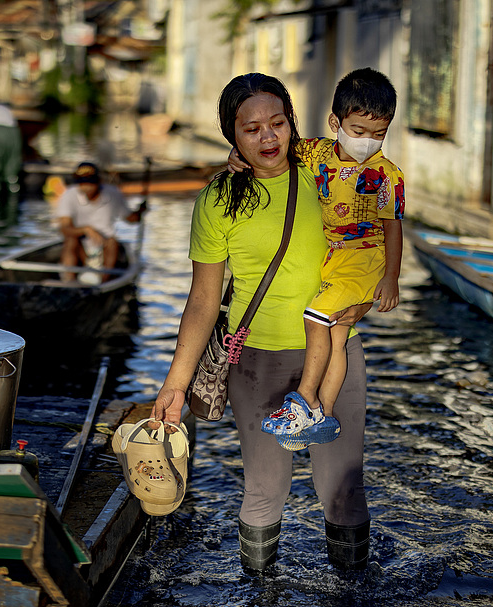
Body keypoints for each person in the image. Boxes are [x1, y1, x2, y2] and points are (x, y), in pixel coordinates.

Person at [150, 73, 373, 573]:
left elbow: (370, 240)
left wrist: (367, 297)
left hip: (338, 353)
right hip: (257, 364)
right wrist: (175, 384)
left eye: (278, 123)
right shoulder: (218, 200)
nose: (268, 138)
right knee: (265, 491)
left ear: (294, 123)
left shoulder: (327, 174)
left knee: (342, 491)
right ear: (233, 136)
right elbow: (204, 301)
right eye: (251, 130)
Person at [230, 68, 405, 448]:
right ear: (336, 123)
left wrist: (390, 278)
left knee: (316, 318)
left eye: (379, 134)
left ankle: (304, 399)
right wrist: (235, 153)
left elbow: (393, 227)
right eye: (358, 131)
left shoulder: (387, 175)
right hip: (335, 258)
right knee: (337, 335)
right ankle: (322, 414)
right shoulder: (319, 153)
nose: (368, 142)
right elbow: (275, 146)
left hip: (364, 257)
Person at [54, 162, 146, 281]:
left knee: (113, 242)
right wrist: (86, 230)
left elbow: (131, 219)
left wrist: (140, 211)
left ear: (98, 181)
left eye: (90, 183)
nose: (86, 187)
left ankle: (104, 282)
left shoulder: (113, 194)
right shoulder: (69, 195)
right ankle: (68, 280)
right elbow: (64, 228)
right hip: (80, 245)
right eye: (82, 183)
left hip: (106, 245)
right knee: (70, 240)